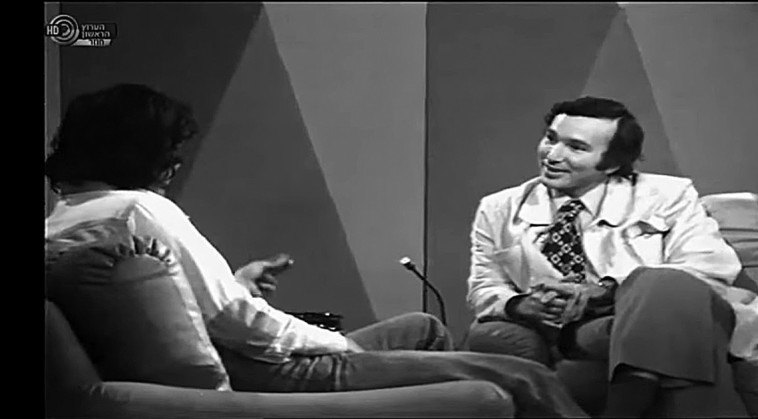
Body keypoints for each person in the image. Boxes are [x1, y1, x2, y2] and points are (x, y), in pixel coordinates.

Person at [44, 83, 588, 418]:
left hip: (248, 355)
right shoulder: (140, 209)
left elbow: (176, 308)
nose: (175, 164)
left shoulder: (64, 219)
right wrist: (333, 345)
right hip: (265, 369)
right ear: (140, 150)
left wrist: (236, 282)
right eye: (171, 150)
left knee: (422, 327)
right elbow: (238, 322)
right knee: (524, 377)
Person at [465, 96, 755, 417]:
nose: (553, 155)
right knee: (668, 338)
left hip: (648, 316)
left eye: (576, 147)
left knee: (659, 284)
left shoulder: (667, 195)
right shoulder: (499, 208)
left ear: (613, 163)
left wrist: (607, 290)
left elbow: (708, 268)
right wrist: (519, 305)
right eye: (551, 139)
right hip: (579, 331)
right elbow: (484, 286)